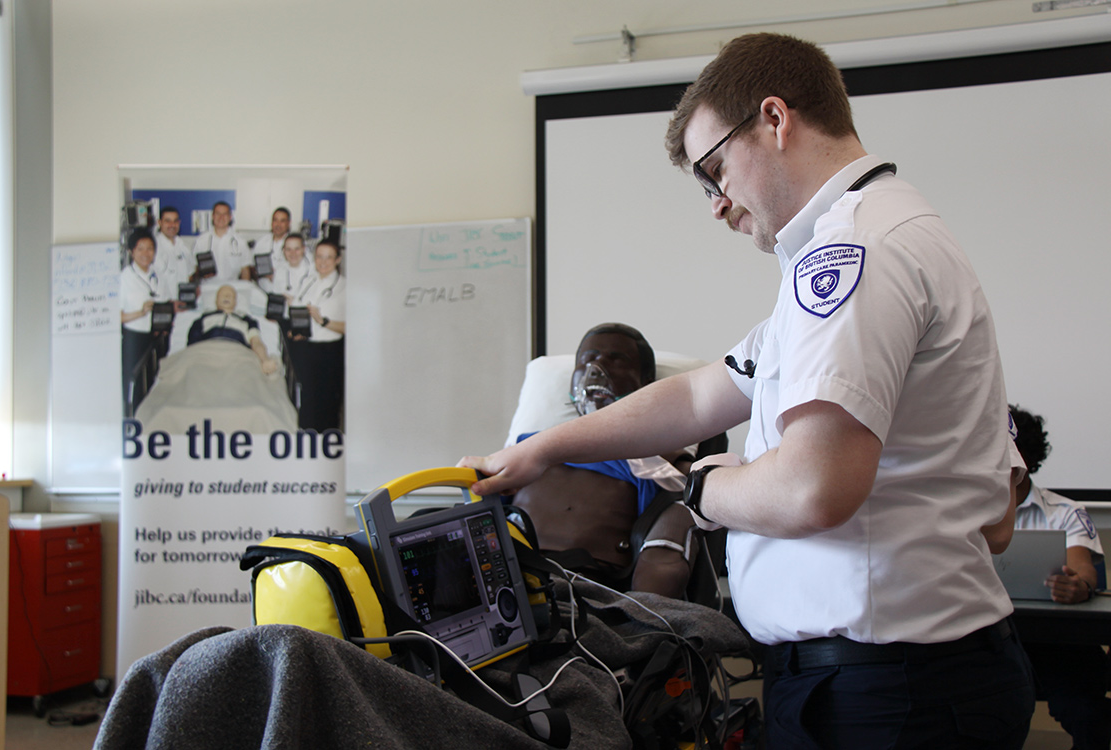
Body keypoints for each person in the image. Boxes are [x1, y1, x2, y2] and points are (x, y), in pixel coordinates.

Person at [461, 33, 1034, 748]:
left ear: (774, 119)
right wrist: (544, 448)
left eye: (714, 170)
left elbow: (811, 489)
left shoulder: (852, 254)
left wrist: (704, 486)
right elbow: (703, 395)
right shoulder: (865, 240)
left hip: (887, 690)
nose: (716, 203)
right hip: (898, 677)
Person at [513, 323, 704, 598]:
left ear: (645, 383)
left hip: (582, 585)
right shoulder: (529, 445)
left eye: (616, 359)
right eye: (587, 359)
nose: (597, 366)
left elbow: (694, 492)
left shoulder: (658, 454)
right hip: (506, 575)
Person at [1009, 404, 1110, 750]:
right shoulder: (962, 512)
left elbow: (1083, 571)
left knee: (1083, 708)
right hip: (989, 639)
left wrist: (1078, 586)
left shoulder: (1065, 512)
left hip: (1054, 643)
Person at [283, 239, 345, 430]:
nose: (323, 262)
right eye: (319, 256)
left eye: (328, 257)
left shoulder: (345, 286)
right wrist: (296, 328)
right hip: (306, 348)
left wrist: (323, 321)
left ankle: (327, 448)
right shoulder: (309, 281)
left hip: (329, 352)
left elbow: (349, 327)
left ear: (338, 260)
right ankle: (307, 445)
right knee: (308, 402)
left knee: (326, 407)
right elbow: (299, 308)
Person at [120, 228, 171, 414]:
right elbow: (116, 316)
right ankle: (132, 418)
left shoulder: (158, 275)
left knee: (153, 383)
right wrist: (140, 313)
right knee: (133, 385)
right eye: (140, 249)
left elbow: (165, 301)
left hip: (156, 337)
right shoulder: (124, 278)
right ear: (132, 252)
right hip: (134, 338)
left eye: (150, 249)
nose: (145, 253)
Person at [187, 285, 278, 375]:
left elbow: (256, 342)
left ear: (235, 302)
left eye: (230, 295)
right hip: (207, 355)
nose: (227, 297)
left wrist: (264, 360)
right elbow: (192, 346)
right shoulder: (202, 320)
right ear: (216, 301)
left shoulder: (247, 321)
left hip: (238, 357)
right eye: (222, 295)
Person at [191, 201, 250, 289]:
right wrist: (200, 275)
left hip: (232, 290)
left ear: (230, 217)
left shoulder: (240, 242)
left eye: (225, 214)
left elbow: (245, 270)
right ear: (213, 216)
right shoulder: (201, 241)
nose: (221, 217)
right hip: (207, 289)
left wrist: (245, 291)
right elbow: (194, 269)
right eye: (218, 214)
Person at [152, 205, 196, 302]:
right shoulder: (153, 247)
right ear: (159, 223)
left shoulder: (184, 246)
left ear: (179, 223)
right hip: (163, 305)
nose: (172, 225)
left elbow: (190, 275)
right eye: (167, 221)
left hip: (183, 303)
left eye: (175, 221)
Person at [247, 207, 291, 289]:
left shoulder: (295, 244)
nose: (278, 224)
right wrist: (259, 273)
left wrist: (276, 275)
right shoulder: (261, 243)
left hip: (285, 294)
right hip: (263, 293)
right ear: (271, 223)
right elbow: (251, 266)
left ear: (288, 223)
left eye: (282, 221)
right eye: (275, 220)